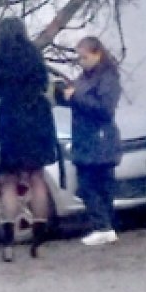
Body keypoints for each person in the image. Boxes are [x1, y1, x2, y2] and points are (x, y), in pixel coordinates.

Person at [0, 18, 60, 262]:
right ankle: (38, 242)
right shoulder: (34, 55)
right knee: (37, 177)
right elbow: (43, 82)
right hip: (37, 115)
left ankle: (8, 242)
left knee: (8, 179)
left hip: (11, 118)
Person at [57, 36, 123, 247]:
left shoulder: (108, 78)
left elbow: (104, 109)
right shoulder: (85, 77)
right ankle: (104, 227)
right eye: (79, 58)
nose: (81, 62)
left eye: (84, 57)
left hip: (99, 138)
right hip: (85, 137)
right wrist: (65, 97)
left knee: (94, 185)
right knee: (92, 184)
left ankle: (103, 227)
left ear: (97, 54)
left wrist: (76, 97)